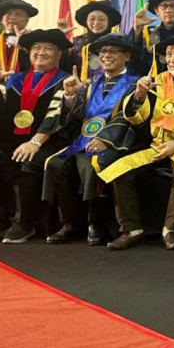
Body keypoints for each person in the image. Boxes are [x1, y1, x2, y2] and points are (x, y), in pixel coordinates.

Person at [98, 35, 174, 250]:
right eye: (169, 54)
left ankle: (170, 229)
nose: (172, 59)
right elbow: (137, 118)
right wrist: (139, 95)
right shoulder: (155, 81)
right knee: (119, 170)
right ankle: (132, 229)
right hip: (155, 144)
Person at [39, 33, 144, 245]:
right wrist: (69, 96)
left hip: (119, 141)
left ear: (126, 56)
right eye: (103, 52)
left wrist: (105, 139)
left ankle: (95, 222)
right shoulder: (91, 83)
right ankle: (71, 222)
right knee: (56, 163)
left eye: (112, 51)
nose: (106, 56)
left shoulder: (135, 83)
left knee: (94, 162)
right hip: (84, 140)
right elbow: (77, 116)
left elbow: (128, 117)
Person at [0, 29, 74, 244]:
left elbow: (57, 116)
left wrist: (35, 142)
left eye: (48, 48)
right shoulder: (14, 79)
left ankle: (23, 222)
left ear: (58, 55)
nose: (41, 52)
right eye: (37, 48)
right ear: (28, 54)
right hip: (12, 138)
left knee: (27, 161)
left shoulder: (64, 81)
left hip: (49, 140)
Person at [61, 0, 121, 84]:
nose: (96, 23)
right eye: (92, 19)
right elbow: (64, 67)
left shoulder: (118, 43)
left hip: (110, 91)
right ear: (86, 21)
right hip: (80, 91)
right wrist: (61, 36)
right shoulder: (75, 43)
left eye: (102, 19)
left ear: (109, 22)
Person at [0, 0, 38, 72]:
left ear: (27, 19)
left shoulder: (34, 41)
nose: (13, 17)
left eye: (18, 14)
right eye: (8, 14)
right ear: (2, 19)